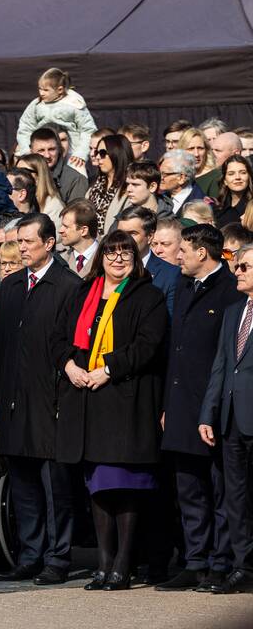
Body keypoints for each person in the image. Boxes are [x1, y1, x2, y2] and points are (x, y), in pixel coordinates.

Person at [56, 230, 168, 591]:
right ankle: (103, 563)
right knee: (99, 488)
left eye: (126, 253)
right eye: (111, 253)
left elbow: (148, 345)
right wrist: (71, 366)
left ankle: (123, 563)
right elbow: (59, 338)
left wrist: (107, 370)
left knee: (125, 486)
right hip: (86, 400)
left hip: (125, 401)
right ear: (101, 258)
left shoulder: (147, 295)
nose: (118, 259)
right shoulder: (81, 294)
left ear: (135, 259)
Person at [0, 213, 81, 585]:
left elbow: (71, 348)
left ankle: (58, 557)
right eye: (18, 241)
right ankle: (30, 554)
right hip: (11, 400)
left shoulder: (69, 286)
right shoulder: (11, 285)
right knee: (22, 483)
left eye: (28, 241)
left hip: (50, 400)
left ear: (50, 243)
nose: (21, 248)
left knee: (55, 487)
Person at [154, 224, 242, 592]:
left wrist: (213, 406)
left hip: (214, 406)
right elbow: (176, 347)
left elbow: (225, 357)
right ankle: (195, 560)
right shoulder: (184, 284)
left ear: (202, 253)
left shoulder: (230, 290)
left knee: (219, 488)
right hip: (180, 403)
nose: (177, 257)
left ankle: (220, 563)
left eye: (183, 251)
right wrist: (167, 406)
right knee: (188, 488)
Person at [198, 246, 253, 594]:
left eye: (245, 266)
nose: (238, 271)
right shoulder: (234, 311)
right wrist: (208, 413)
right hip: (232, 420)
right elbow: (221, 365)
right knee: (235, 497)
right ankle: (243, 565)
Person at [16, 67, 97, 171]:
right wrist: (26, 150)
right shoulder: (37, 105)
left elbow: (88, 130)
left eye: (46, 90)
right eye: (40, 89)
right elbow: (25, 127)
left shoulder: (74, 104)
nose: (41, 93)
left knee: (76, 176)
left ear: (60, 89)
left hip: (71, 155)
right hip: (44, 153)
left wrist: (81, 153)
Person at [116, 206, 180, 316]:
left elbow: (170, 323)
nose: (125, 239)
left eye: (132, 233)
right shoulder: (107, 270)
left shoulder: (171, 275)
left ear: (150, 236)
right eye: (120, 234)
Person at [85, 135, 133, 234]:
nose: (97, 157)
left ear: (117, 154)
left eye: (102, 153)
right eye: (96, 152)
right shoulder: (94, 187)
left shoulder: (131, 188)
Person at [30, 127, 89, 204]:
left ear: (59, 149)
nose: (47, 155)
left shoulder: (76, 179)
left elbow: (76, 214)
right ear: (31, 152)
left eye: (51, 149)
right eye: (41, 150)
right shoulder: (25, 174)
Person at [58, 200, 100, 279]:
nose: (60, 230)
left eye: (66, 227)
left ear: (84, 231)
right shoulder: (60, 260)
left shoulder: (107, 259)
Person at [159, 149, 204, 217]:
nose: (160, 178)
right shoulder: (159, 198)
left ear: (181, 178)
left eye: (165, 174)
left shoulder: (201, 204)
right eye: (160, 173)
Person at [179, 129, 222, 199]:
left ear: (206, 151)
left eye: (200, 148)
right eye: (191, 148)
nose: (196, 154)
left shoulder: (216, 177)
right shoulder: (178, 178)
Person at [214, 155, 253, 228]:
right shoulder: (218, 207)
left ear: (249, 177)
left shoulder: (251, 207)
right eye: (231, 174)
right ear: (225, 180)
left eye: (243, 172)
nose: (237, 177)